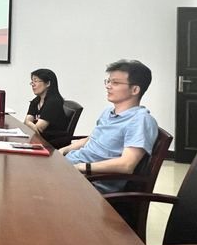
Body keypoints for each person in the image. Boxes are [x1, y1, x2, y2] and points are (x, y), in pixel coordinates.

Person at [61, 59, 159, 193]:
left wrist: (83, 167)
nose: (108, 86)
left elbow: (126, 165)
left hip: (89, 182)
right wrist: (62, 151)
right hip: (71, 168)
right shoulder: (108, 112)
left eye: (115, 83)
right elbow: (91, 139)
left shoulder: (140, 120)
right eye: (108, 81)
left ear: (135, 89)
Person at [23, 68, 68, 143]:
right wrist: (29, 124)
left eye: (36, 81)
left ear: (48, 83)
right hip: (37, 140)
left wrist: (29, 123)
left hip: (51, 144)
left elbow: (39, 129)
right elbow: (26, 122)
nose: (33, 84)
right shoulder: (36, 101)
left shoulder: (54, 102)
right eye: (32, 81)